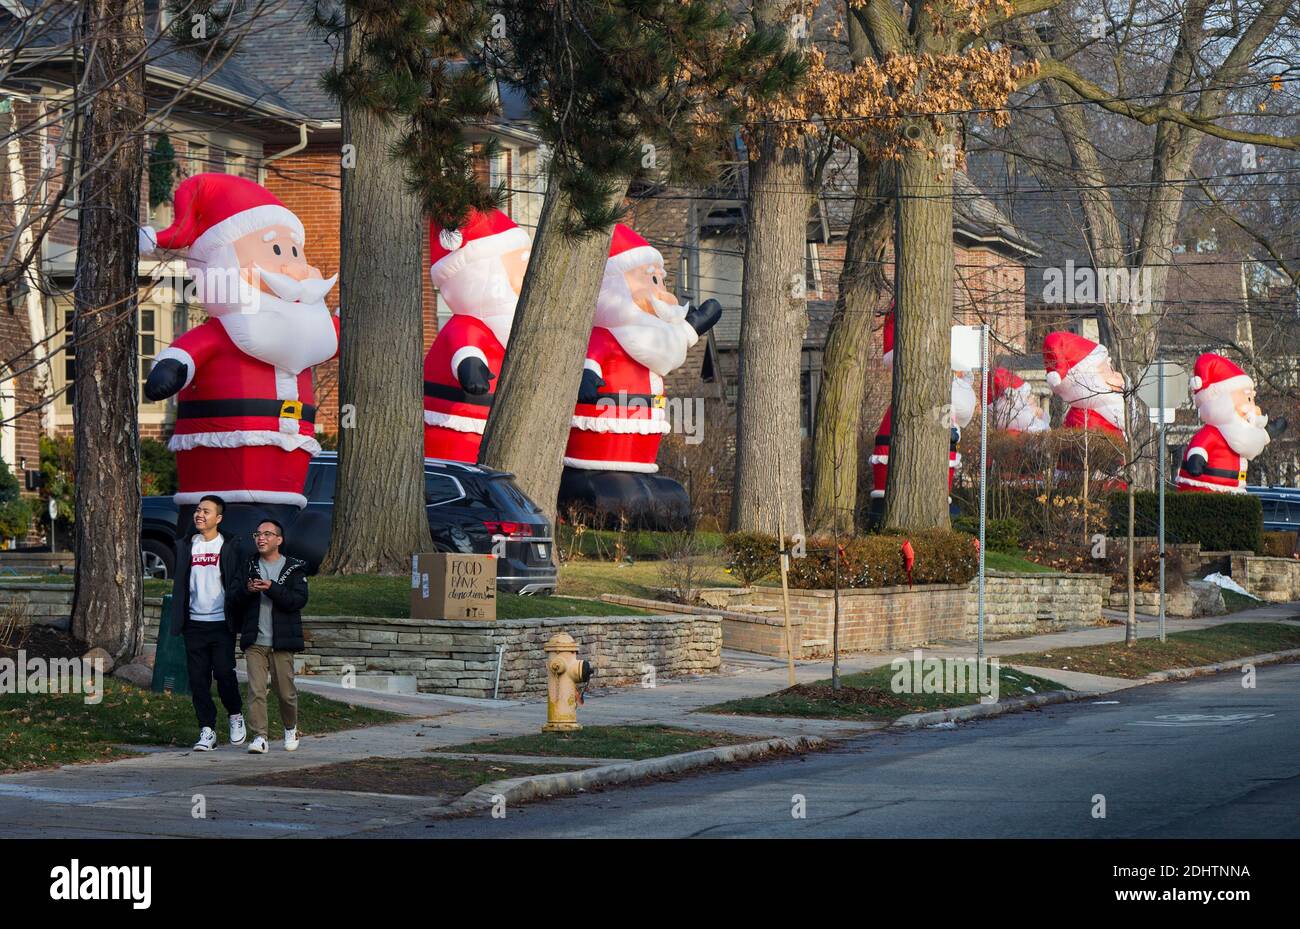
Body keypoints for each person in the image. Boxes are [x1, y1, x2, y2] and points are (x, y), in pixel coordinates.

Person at [170, 494, 246, 751]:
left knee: (225, 674)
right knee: (198, 679)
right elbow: (181, 584)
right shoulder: (187, 545)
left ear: (219, 518)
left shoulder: (230, 545)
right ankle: (207, 729)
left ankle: (235, 715)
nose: (199, 514)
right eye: (198, 510)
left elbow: (237, 583)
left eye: (206, 511)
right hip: (194, 624)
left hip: (221, 623)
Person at [228, 518, 309, 753]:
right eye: (257, 534)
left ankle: (290, 727)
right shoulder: (248, 565)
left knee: (286, 693)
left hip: (282, 642)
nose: (260, 538)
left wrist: (271, 588)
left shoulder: (293, 568)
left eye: (267, 534)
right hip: (255, 641)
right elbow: (232, 596)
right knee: (256, 690)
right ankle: (260, 737)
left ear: (279, 540)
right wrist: (247, 590)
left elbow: (298, 600)